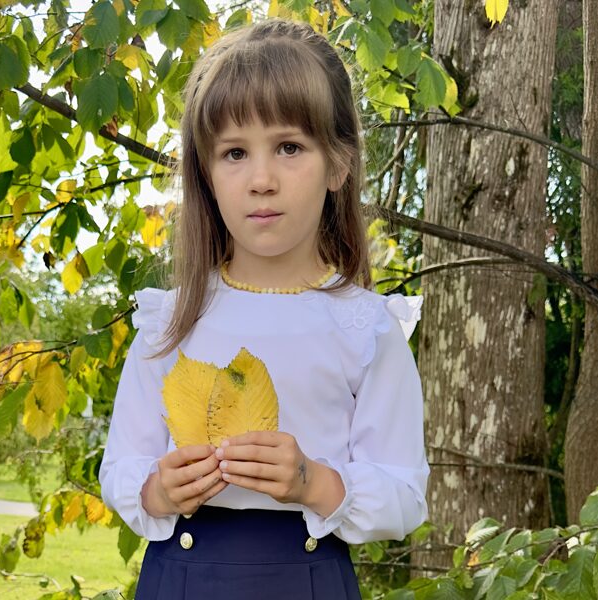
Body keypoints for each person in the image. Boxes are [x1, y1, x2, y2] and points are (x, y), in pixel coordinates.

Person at [99, 19, 429, 600]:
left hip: (309, 580)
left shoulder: (366, 328)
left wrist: (313, 482)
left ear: (338, 164)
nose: (261, 179)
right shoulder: (169, 322)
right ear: (206, 173)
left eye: (289, 147)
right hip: (179, 580)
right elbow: (120, 469)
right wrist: (159, 491)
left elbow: (405, 493)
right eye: (233, 152)